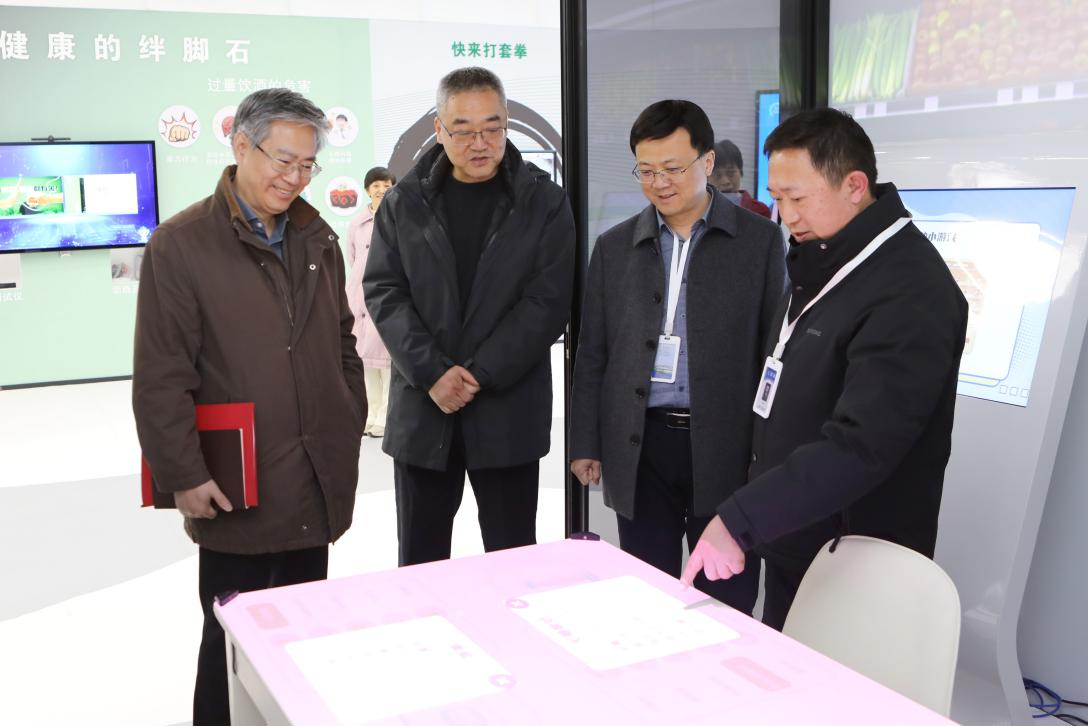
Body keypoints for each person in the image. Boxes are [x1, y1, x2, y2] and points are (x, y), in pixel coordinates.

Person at [682, 107, 968, 630]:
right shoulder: (824, 257)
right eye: (777, 198)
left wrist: (742, 518)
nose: (786, 215)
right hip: (799, 536)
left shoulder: (909, 290)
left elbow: (862, 444)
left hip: (856, 557)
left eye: (798, 198)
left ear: (855, 185)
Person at [132, 88, 365, 725]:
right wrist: (183, 474)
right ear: (240, 145)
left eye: (307, 164)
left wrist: (346, 414)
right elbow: (161, 376)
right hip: (237, 484)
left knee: (302, 637)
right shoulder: (182, 244)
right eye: (282, 160)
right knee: (231, 643)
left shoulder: (316, 237)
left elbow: (341, 340)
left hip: (313, 474)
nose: (294, 178)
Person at [569, 100, 786, 615]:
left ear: (707, 162)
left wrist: (769, 452)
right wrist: (585, 441)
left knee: (725, 594)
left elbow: (774, 352)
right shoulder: (615, 247)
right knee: (646, 593)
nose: (659, 183)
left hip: (727, 446)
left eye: (672, 168)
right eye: (646, 171)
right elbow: (594, 351)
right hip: (641, 443)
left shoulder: (758, 242)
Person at [364, 67, 575, 566]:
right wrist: (433, 373)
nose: (480, 143)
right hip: (424, 413)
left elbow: (547, 302)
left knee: (510, 561)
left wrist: (479, 373)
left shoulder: (542, 200)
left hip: (508, 414)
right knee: (420, 562)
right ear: (439, 129)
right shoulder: (404, 202)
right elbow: (385, 292)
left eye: (492, 128)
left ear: (507, 123)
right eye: (463, 130)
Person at [346, 166, 396, 438]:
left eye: (386, 185)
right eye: (376, 185)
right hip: (359, 298)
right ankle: (370, 414)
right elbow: (353, 258)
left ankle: (386, 417)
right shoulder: (357, 223)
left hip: (386, 296)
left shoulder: (398, 217)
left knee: (387, 362)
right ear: (367, 190)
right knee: (365, 362)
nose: (381, 190)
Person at [710, 139, 772, 218]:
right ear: (707, 179)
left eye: (731, 173)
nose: (725, 182)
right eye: (717, 175)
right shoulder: (699, 211)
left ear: (741, 172)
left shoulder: (760, 211)